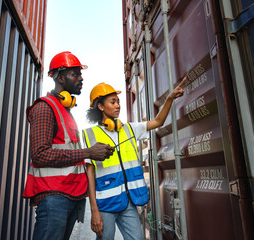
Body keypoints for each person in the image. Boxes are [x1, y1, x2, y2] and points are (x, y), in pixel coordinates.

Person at [22, 52, 115, 240]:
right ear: (61, 77)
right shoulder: (44, 108)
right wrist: (89, 152)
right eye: (76, 74)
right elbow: (39, 155)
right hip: (54, 198)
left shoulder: (65, 111)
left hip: (70, 196)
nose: (81, 79)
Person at [82, 80, 185, 239]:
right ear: (101, 106)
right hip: (106, 205)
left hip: (128, 203)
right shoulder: (90, 135)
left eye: (118, 102)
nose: (118, 106)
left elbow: (158, 122)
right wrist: (94, 211)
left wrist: (170, 98)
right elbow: (89, 175)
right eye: (113, 102)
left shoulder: (129, 129)